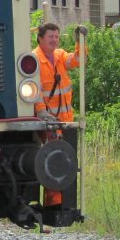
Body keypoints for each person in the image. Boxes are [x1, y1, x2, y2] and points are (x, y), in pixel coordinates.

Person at [32, 22, 87, 207]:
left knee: (64, 160)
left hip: (65, 121)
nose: (54, 40)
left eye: (56, 37)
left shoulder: (60, 56)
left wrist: (80, 41)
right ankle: (54, 204)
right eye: (51, 37)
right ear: (40, 38)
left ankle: (63, 203)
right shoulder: (34, 60)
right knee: (53, 160)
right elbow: (35, 89)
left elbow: (78, 60)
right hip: (49, 122)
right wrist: (41, 112)